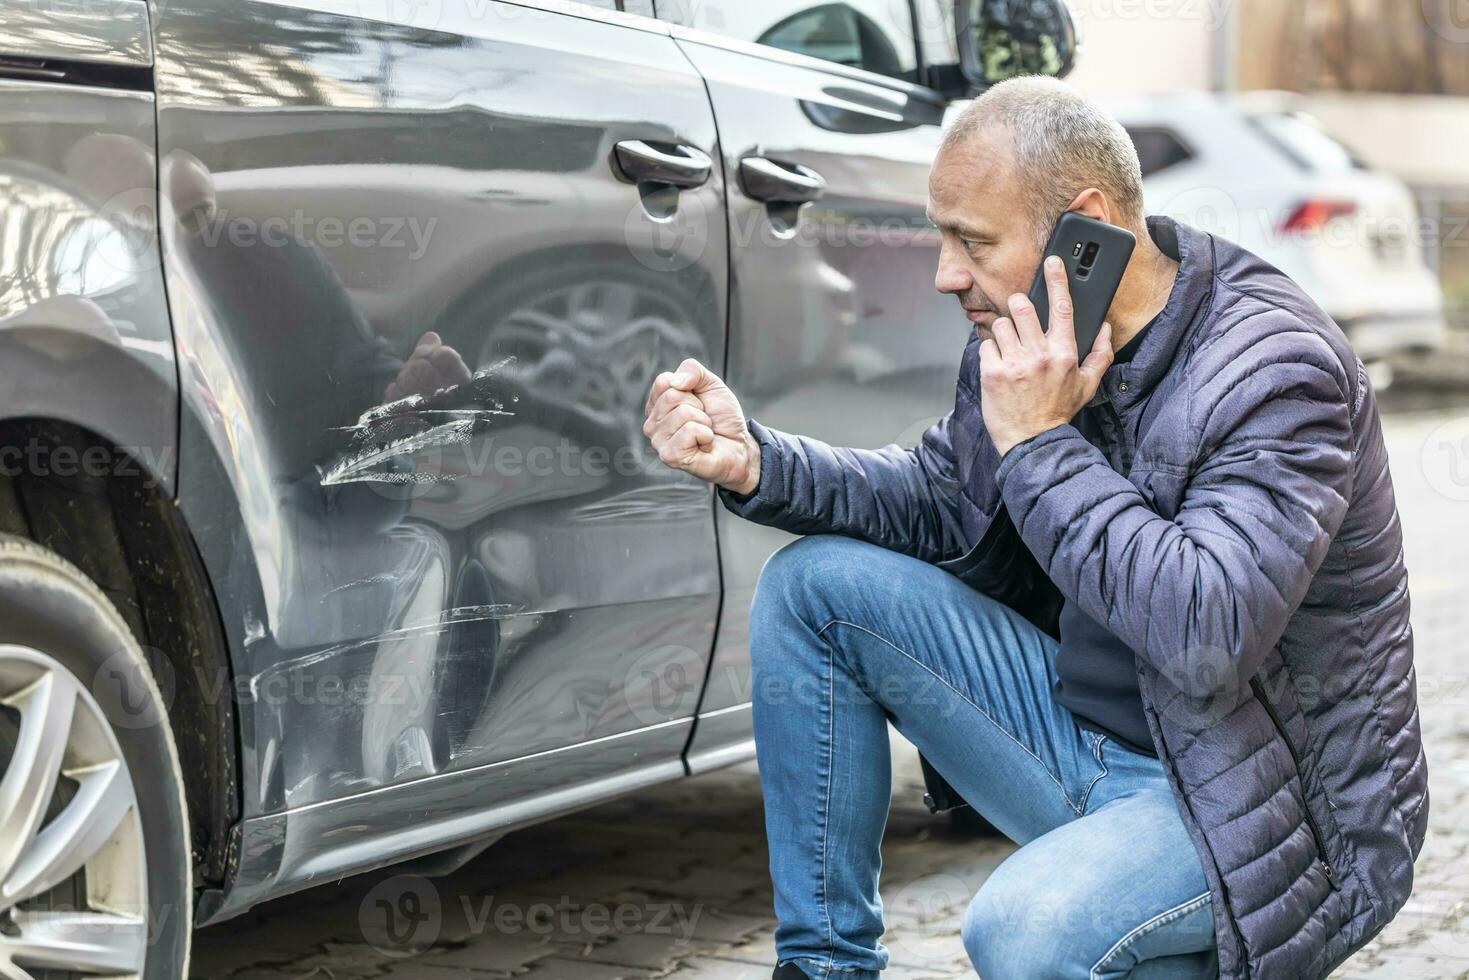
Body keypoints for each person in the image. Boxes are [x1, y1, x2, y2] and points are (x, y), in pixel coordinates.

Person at [641, 77, 1427, 980]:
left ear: (1082, 226)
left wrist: (1043, 440)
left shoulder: (1274, 371)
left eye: (970, 241)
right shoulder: (1031, 334)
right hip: (1077, 741)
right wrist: (757, 463)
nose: (944, 273)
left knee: (1026, 931)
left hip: (1250, 803)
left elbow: (1205, 632)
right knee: (815, 590)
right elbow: (943, 500)